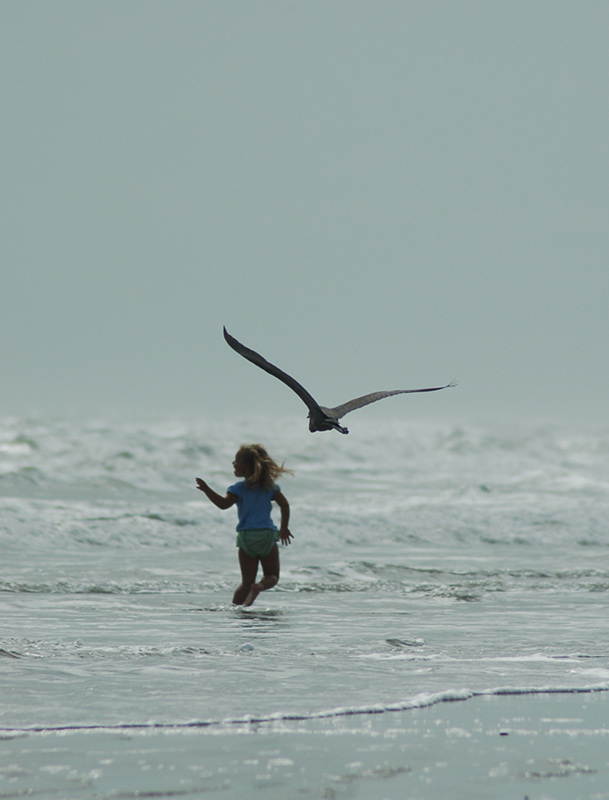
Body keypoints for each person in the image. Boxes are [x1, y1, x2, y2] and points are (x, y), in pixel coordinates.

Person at [195, 444, 293, 607]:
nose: (233, 464)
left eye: (236, 461)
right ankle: (260, 586)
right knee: (272, 576)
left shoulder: (237, 489)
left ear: (247, 466)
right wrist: (284, 527)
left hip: (246, 538)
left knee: (246, 582)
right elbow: (285, 505)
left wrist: (207, 490)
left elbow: (223, 504)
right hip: (266, 537)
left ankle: (235, 609)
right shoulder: (270, 488)